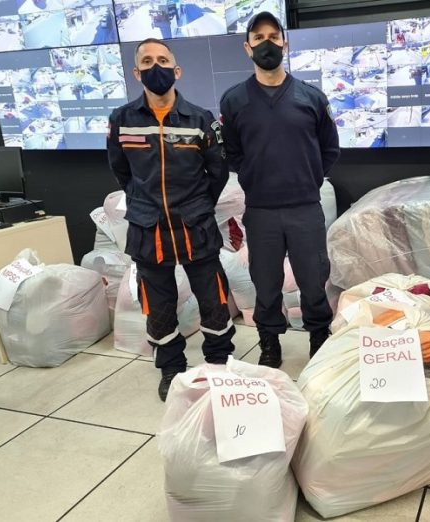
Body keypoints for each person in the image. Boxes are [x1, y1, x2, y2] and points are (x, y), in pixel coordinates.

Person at [107, 38, 234, 401]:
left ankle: (219, 363)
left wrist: (197, 206)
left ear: (176, 71)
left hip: (195, 226)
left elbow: (218, 171)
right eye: (147, 61)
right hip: (149, 230)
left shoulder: (199, 119)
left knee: (213, 299)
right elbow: (120, 171)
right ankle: (172, 368)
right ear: (136, 73)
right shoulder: (122, 120)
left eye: (162, 60)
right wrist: (143, 202)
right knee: (158, 307)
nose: (155, 66)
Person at [219, 12, 340, 368]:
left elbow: (329, 149)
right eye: (259, 38)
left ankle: (319, 337)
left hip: (305, 207)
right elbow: (233, 152)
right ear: (247, 47)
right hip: (260, 211)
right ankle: (269, 343)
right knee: (266, 284)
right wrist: (258, 177)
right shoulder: (234, 100)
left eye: (274, 36)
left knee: (314, 280)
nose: (267, 43)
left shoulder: (311, 98)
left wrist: (306, 178)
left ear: (285, 43)